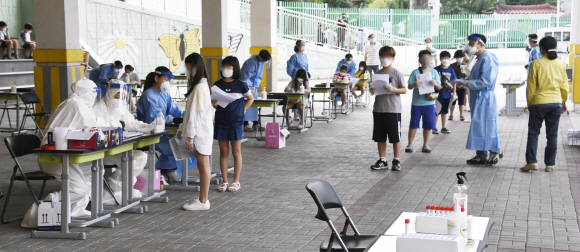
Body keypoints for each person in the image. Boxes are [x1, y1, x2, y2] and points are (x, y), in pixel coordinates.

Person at [22, 79, 101, 227]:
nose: (94, 96)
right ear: (85, 92)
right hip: (55, 157)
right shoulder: (77, 106)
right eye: (93, 92)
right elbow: (93, 128)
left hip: (58, 154)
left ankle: (73, 212)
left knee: (92, 173)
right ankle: (37, 215)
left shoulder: (67, 103)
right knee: (78, 189)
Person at [93, 80, 153, 199]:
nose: (119, 100)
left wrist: (145, 126)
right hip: (103, 152)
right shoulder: (98, 109)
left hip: (119, 148)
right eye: (117, 96)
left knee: (140, 157)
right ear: (110, 93)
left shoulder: (121, 107)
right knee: (131, 159)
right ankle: (110, 193)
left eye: (122, 97)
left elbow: (131, 122)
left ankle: (121, 189)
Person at [136, 67, 194, 182]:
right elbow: (154, 118)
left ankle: (161, 173)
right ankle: (172, 173)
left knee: (180, 147)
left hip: (164, 132)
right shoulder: (148, 95)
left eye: (169, 79)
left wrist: (188, 115)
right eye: (165, 78)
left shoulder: (164, 94)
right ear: (156, 78)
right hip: (152, 135)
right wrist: (172, 119)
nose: (167, 81)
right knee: (183, 149)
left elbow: (175, 110)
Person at [521, 36, 568, 172]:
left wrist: (529, 103)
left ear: (542, 49)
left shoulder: (536, 64)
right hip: (555, 103)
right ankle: (549, 164)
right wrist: (563, 102)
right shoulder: (560, 64)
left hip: (538, 103)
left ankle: (531, 162)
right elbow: (564, 86)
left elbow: (531, 87)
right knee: (552, 135)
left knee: (533, 133)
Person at [212, 56, 254, 192]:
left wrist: (243, 110)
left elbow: (250, 98)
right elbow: (214, 103)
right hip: (221, 121)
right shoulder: (217, 85)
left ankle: (236, 181)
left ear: (235, 69)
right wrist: (214, 102)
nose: (226, 70)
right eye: (224, 67)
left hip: (236, 122)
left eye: (229, 67)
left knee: (236, 152)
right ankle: (225, 181)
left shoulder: (241, 84)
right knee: (224, 152)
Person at [180, 53, 214, 211]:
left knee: (203, 166)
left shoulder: (200, 87)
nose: (187, 70)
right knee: (203, 165)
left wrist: (190, 136)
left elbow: (195, 114)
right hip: (202, 131)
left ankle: (203, 200)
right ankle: (203, 198)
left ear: (195, 67)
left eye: (188, 67)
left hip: (200, 132)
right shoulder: (201, 86)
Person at [464, 34, 503, 166]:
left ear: (480, 44)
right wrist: (463, 81)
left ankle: (494, 151)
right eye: (468, 43)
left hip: (485, 97)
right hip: (478, 97)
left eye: (472, 43)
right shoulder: (479, 58)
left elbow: (486, 80)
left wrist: (468, 84)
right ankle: (481, 155)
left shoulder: (488, 58)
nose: (469, 46)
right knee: (479, 126)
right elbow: (475, 77)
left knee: (486, 126)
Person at [369, 46, 407, 171]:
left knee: (395, 136)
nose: (385, 59)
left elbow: (404, 89)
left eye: (388, 57)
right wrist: (371, 90)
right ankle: (382, 160)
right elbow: (372, 91)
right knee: (380, 136)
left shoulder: (397, 73)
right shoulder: (377, 74)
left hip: (393, 109)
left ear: (393, 58)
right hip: (379, 109)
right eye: (383, 56)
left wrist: (394, 89)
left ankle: (396, 160)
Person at [405, 50, 442, 154]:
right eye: (423, 59)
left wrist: (435, 83)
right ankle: (410, 144)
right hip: (417, 103)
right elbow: (409, 86)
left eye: (427, 58)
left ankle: (426, 145)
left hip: (429, 103)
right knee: (413, 124)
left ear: (430, 60)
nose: (425, 60)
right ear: (419, 60)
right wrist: (414, 85)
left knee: (428, 125)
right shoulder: (415, 72)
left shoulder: (434, 72)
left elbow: (440, 86)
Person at [240, 49, 271, 132]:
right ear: (260, 58)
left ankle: (255, 123)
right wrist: (248, 88)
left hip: (253, 87)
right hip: (246, 86)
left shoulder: (260, 63)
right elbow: (245, 77)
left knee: (254, 105)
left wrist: (255, 86)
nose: (266, 62)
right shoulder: (251, 63)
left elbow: (258, 77)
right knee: (246, 105)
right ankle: (245, 124)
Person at [433, 51, 457, 134]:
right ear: (440, 58)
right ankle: (434, 127)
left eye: (447, 58)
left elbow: (454, 82)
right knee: (436, 111)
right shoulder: (435, 69)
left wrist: (454, 93)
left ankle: (443, 127)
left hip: (447, 94)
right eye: (444, 58)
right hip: (436, 94)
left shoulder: (451, 70)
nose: (445, 59)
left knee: (444, 111)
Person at [449, 50, 467, 121]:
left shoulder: (465, 65)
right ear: (455, 57)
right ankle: (451, 115)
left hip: (462, 86)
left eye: (461, 57)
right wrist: (455, 84)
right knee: (453, 100)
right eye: (458, 57)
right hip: (453, 86)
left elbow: (466, 76)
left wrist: (461, 83)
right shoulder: (452, 66)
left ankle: (461, 115)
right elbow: (451, 77)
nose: (460, 58)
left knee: (461, 100)